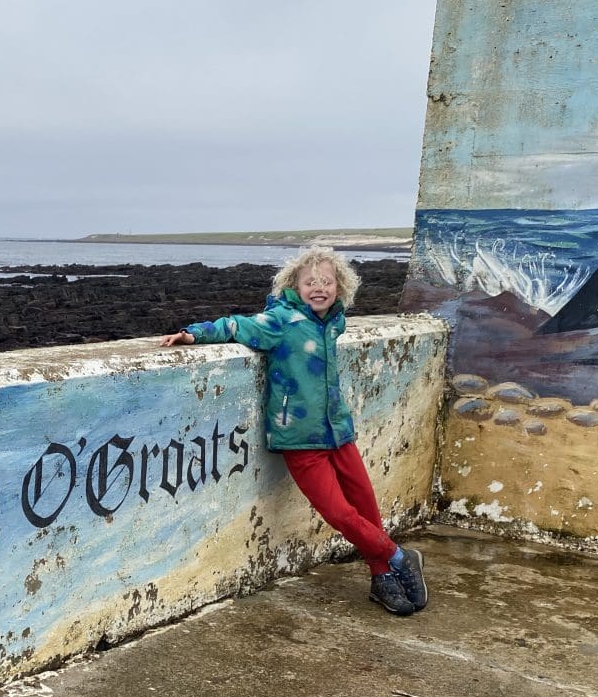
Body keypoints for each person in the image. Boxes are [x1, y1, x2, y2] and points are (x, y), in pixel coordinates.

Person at [157, 247, 428, 616]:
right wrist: (193, 334)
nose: (319, 288)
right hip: (300, 438)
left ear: (340, 286)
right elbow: (236, 325)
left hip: (338, 431)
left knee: (365, 505)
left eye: (327, 282)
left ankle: (381, 576)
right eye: (310, 282)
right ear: (294, 285)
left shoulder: (334, 321)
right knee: (340, 514)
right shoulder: (281, 321)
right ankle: (399, 557)